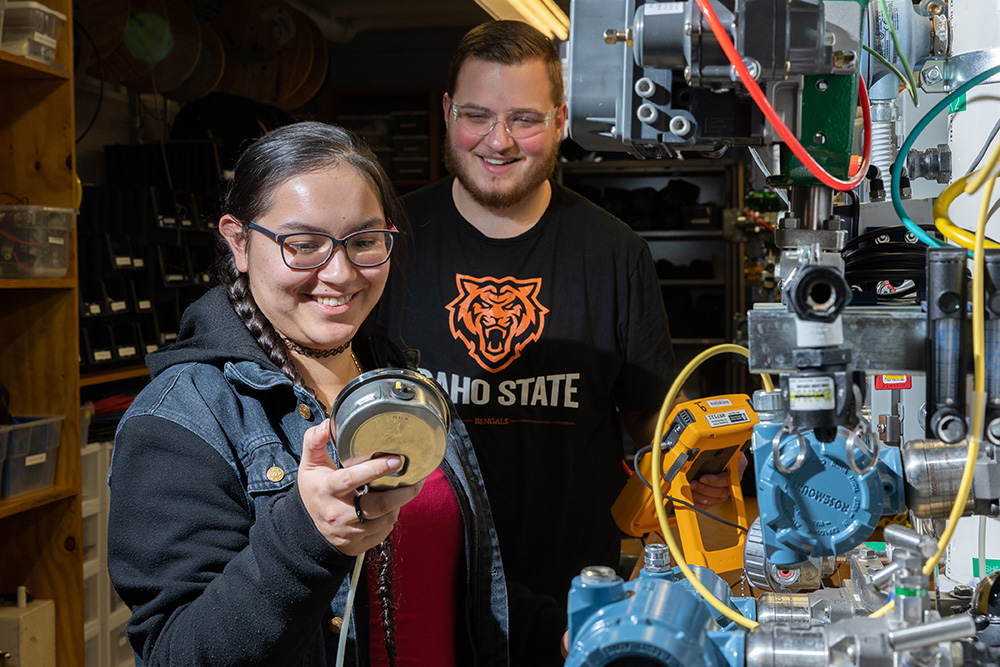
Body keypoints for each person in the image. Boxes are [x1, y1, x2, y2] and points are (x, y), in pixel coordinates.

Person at [374, 19, 750, 623]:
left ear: (559, 121)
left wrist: (696, 464)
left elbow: (650, 416)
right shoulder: (387, 245)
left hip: (575, 599)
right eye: (477, 115)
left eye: (523, 118)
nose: (498, 141)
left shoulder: (614, 252)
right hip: (420, 593)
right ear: (447, 113)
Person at [106, 122, 520, 666]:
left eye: (366, 242)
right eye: (303, 245)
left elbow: (455, 591)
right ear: (239, 242)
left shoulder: (400, 380)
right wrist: (307, 537)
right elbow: (176, 654)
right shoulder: (182, 417)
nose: (341, 273)